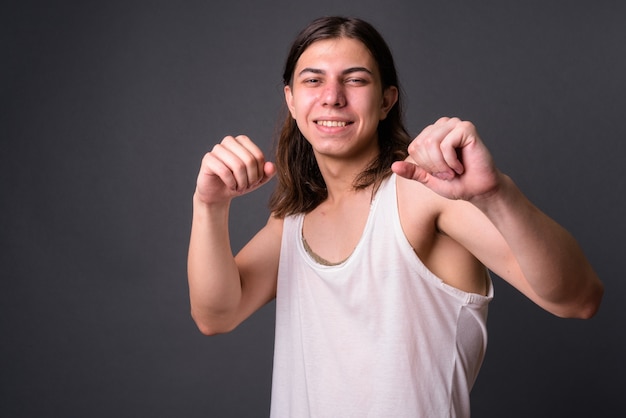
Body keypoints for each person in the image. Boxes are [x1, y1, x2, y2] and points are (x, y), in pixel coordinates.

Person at [187, 16, 603, 417]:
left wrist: (496, 194)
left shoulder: (423, 195)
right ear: (291, 101)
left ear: (386, 100)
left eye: (355, 79)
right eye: (313, 80)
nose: (332, 96)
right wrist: (210, 205)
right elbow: (215, 316)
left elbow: (579, 298)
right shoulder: (294, 221)